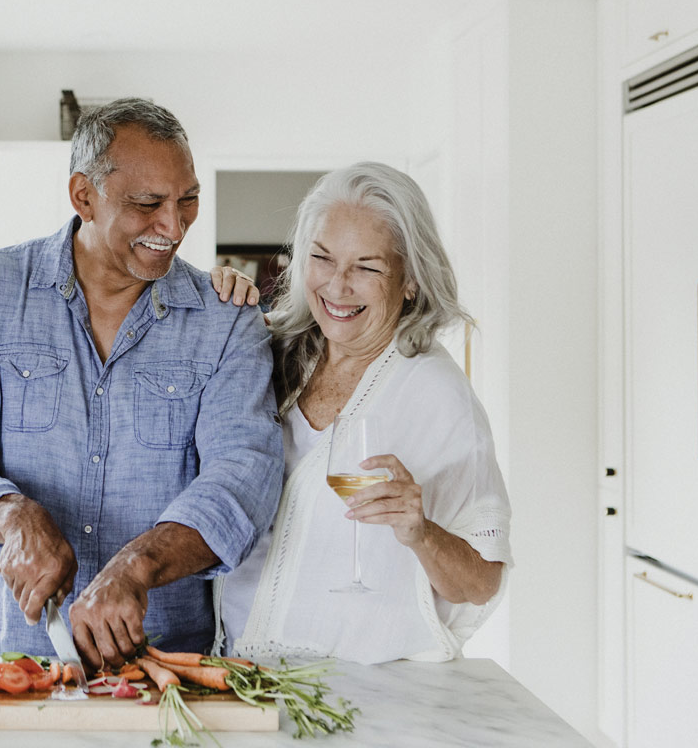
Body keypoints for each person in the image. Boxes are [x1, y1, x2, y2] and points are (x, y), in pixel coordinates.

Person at [0, 98, 283, 669]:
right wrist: (11, 515)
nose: (174, 226)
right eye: (147, 204)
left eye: (188, 201)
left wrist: (137, 566)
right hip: (20, 661)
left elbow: (243, 479)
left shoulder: (227, 318)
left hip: (167, 667)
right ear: (83, 196)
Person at [212, 161, 511, 665]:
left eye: (367, 267)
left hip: (359, 691)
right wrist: (214, 301)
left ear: (410, 280)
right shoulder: (272, 352)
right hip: (236, 670)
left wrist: (421, 531)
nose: (337, 285)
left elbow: (480, 582)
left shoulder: (436, 395)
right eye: (323, 258)